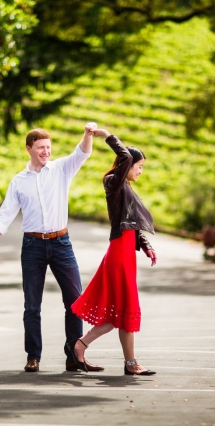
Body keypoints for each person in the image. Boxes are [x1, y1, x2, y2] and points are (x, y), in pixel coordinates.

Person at [0, 123, 105, 373]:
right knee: (32, 305)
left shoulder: (61, 169)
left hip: (61, 243)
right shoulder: (18, 181)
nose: (46, 152)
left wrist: (87, 133)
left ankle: (74, 354)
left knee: (75, 301)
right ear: (29, 149)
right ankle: (33, 356)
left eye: (48, 147)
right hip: (33, 246)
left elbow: (82, 153)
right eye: (41, 147)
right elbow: (6, 212)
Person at [67, 129, 158, 375]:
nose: (140, 170)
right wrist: (108, 136)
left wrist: (146, 246)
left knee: (116, 314)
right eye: (139, 166)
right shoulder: (113, 183)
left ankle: (79, 345)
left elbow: (131, 223)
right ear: (126, 165)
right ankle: (131, 364)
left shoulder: (126, 187)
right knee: (126, 308)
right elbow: (125, 157)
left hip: (126, 251)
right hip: (119, 253)